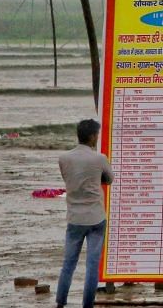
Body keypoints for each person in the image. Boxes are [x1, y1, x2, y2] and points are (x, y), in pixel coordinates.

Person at [56, 119, 113, 308]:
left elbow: (69, 179)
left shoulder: (64, 158)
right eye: (97, 134)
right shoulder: (99, 158)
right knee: (92, 265)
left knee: (68, 263)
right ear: (91, 136)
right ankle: (87, 304)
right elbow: (109, 179)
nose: (97, 137)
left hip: (74, 218)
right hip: (96, 217)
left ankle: (60, 302)